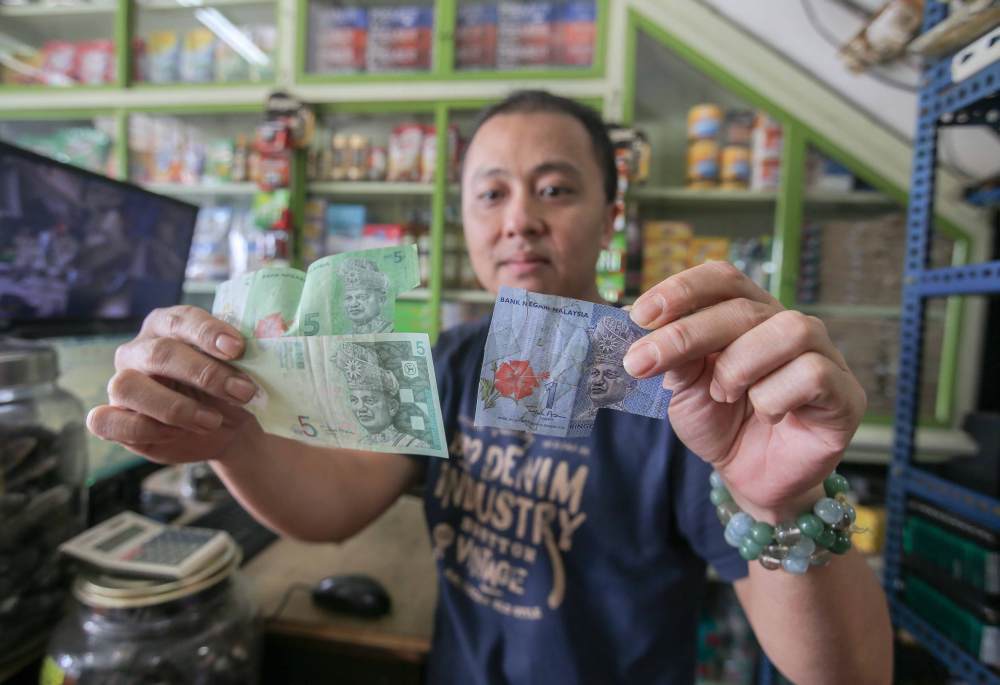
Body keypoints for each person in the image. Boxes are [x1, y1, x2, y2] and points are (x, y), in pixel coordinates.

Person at [88, 91, 893, 684]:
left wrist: (781, 504)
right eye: (491, 193)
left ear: (612, 217)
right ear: (464, 219)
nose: (518, 220)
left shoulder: (687, 394)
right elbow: (333, 505)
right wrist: (228, 434)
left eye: (555, 188)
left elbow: (851, 675)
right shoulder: (452, 362)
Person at [336, 341, 429, 449]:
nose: (361, 408)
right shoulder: (357, 445)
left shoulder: (415, 446)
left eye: (369, 400)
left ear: (392, 407)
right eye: (354, 400)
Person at [573, 317, 638, 422]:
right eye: (594, 373)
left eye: (610, 374)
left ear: (630, 385)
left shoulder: (629, 422)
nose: (598, 381)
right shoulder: (579, 419)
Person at [338, 258, 393, 333]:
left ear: (381, 300)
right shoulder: (346, 335)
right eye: (348, 298)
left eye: (362, 297)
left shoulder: (393, 330)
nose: (353, 304)